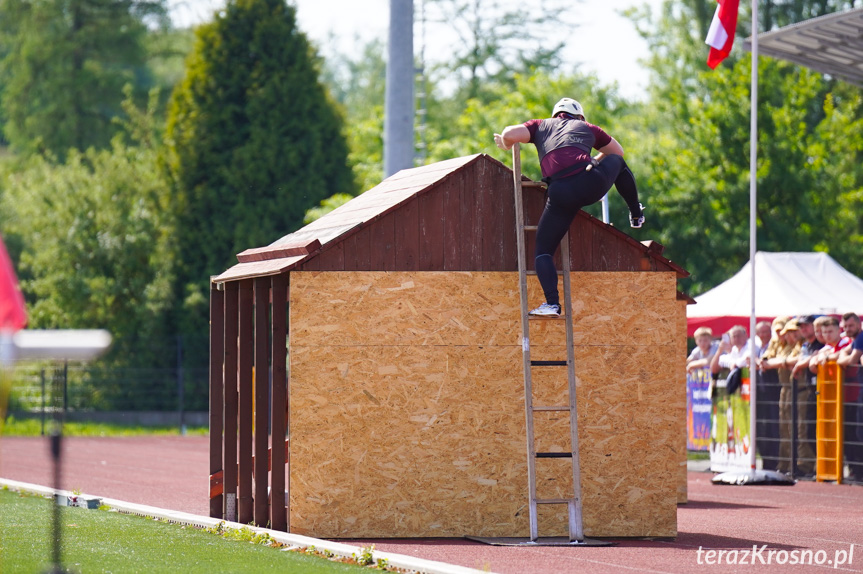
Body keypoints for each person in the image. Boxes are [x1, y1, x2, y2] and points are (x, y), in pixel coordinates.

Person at [493, 98, 644, 317]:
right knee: (619, 163)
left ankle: (552, 304)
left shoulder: (540, 125)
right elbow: (617, 152)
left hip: (560, 192)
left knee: (543, 252)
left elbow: (508, 134)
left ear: (556, 115)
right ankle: (636, 214)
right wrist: (595, 159)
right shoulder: (587, 127)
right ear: (580, 117)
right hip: (590, 182)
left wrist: (506, 144)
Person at [754, 317, 789, 472]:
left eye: (766, 332)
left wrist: (764, 363)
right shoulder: (756, 346)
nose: (764, 335)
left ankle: (776, 462)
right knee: (762, 430)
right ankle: (767, 461)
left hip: (775, 392)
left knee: (776, 429)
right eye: (760, 332)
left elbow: (772, 361)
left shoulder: (775, 344)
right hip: (760, 395)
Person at [837, 312, 863, 482]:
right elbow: (843, 353)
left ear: (859, 324)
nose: (847, 330)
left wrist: (841, 360)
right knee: (858, 431)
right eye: (845, 327)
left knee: (859, 431)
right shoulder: (857, 339)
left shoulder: (861, 337)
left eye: (850, 326)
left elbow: (851, 358)